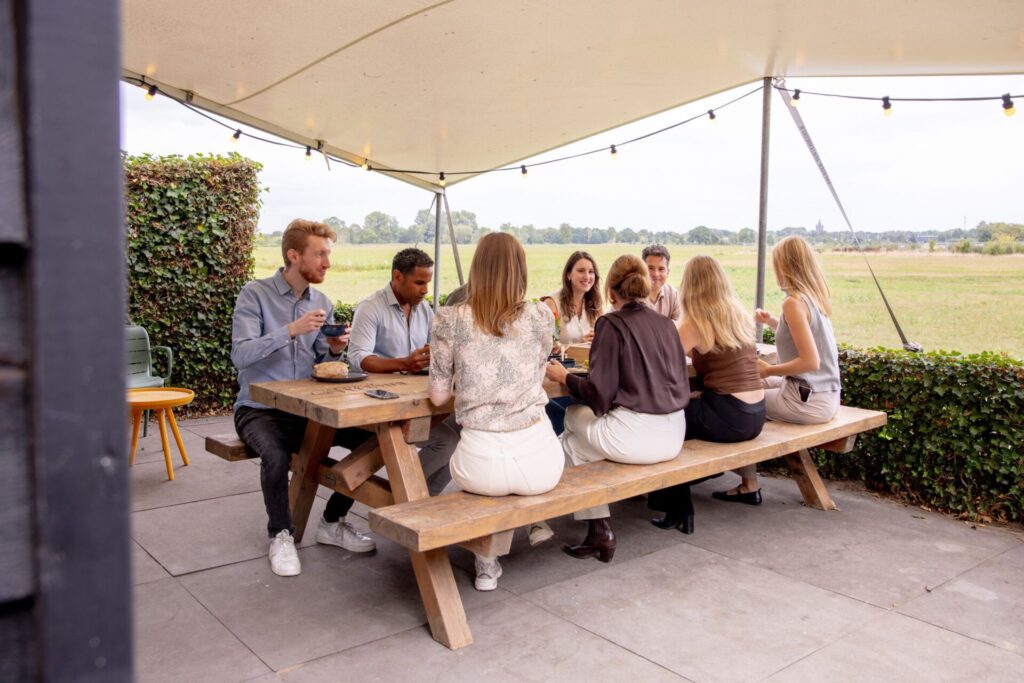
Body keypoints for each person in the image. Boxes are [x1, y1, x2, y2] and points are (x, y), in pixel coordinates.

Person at [232, 219, 376, 578]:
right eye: (321, 254)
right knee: (277, 456)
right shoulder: (255, 295)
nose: (327, 262)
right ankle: (280, 534)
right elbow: (242, 355)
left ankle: (332, 522)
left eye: (329, 254)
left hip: (308, 411)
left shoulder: (322, 301)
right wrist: (290, 331)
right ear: (294, 255)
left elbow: (322, 366)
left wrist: (332, 349)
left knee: (376, 442)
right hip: (258, 409)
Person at [429, 233, 564, 591]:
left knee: (450, 489)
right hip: (541, 466)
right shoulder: (539, 315)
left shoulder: (450, 318)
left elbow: (439, 396)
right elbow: (537, 375)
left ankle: (485, 562)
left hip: (479, 466)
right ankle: (487, 563)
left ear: (476, 269)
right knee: (510, 480)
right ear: (521, 270)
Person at [545, 255, 689, 563]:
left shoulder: (610, 323)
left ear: (611, 292)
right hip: (675, 433)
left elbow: (598, 397)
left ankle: (596, 526)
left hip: (635, 438)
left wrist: (564, 377)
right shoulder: (666, 325)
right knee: (576, 444)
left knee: (571, 423)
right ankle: (596, 530)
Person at [714, 235, 841, 504]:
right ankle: (748, 482)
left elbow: (810, 361)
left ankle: (748, 484)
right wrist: (772, 321)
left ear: (785, 265)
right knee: (748, 392)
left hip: (805, 400)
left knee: (739, 401)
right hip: (826, 396)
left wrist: (767, 371)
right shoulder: (814, 298)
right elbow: (805, 337)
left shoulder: (793, 303)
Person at [648, 255, 766, 531]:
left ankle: (678, 508)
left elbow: (662, 366)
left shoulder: (696, 323)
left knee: (667, 425)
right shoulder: (737, 315)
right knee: (685, 415)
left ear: (691, 285)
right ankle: (683, 490)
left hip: (729, 414)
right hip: (756, 414)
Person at [347, 248, 457, 495]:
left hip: (416, 401)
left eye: (427, 282)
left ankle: (419, 501)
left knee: (465, 429)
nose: (425, 290)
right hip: (381, 406)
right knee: (446, 441)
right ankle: (408, 497)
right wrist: (404, 364)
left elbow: (436, 350)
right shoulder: (371, 308)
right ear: (397, 276)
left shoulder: (424, 310)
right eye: (419, 282)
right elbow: (358, 358)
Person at [642, 244, 682, 323]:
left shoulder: (673, 294)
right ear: (641, 269)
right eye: (650, 268)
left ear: (668, 272)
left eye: (661, 269)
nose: (655, 274)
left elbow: (679, 328)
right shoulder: (630, 295)